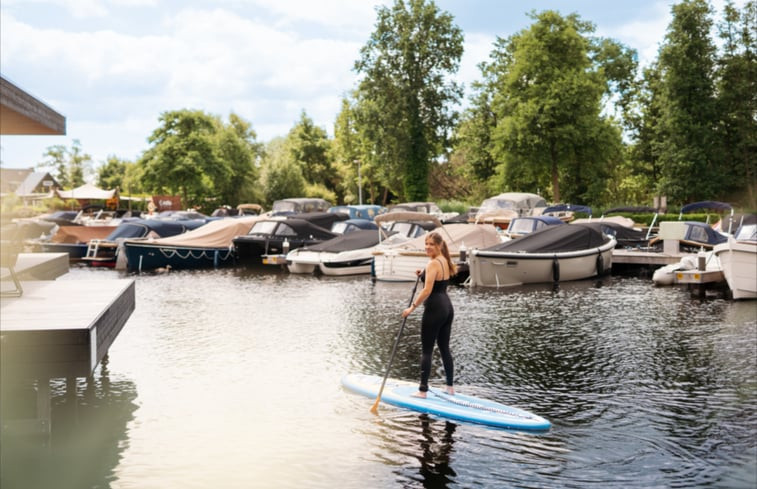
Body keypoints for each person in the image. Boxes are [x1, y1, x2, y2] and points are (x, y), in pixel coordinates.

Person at [402, 231, 457, 398]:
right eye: (426, 244)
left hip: (434, 308)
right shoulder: (444, 261)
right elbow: (436, 279)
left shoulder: (433, 263)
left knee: (426, 350)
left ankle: (422, 390)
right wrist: (423, 274)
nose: (427, 247)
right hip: (447, 307)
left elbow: (427, 290)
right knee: (444, 348)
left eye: (431, 244)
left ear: (439, 246)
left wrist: (412, 307)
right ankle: (450, 387)